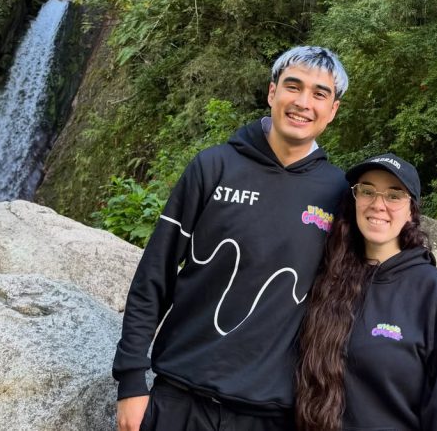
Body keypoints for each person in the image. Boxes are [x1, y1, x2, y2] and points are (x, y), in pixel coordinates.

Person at [113, 46, 350, 431]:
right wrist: (130, 380)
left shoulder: (339, 193)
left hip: (269, 414)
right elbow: (154, 275)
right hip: (179, 399)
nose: (303, 102)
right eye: (293, 86)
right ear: (272, 92)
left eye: (319, 93)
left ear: (333, 109)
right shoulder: (214, 167)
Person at [296, 153, 437, 431]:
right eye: (367, 191)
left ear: (411, 211)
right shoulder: (329, 277)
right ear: (355, 199)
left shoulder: (433, 291)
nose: (378, 204)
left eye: (394, 195)